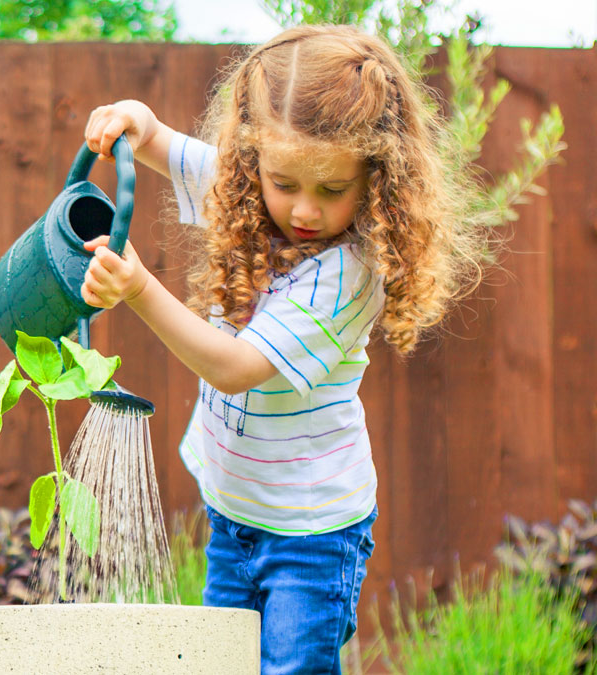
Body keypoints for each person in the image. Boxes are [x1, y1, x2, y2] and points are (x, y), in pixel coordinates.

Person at [79, 24, 486, 675]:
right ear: (253, 161)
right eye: (284, 181)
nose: (303, 209)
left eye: (332, 190)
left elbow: (236, 369)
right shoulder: (251, 194)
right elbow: (165, 147)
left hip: (312, 535)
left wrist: (137, 288)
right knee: (224, 663)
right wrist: (137, 122)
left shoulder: (346, 271)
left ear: (375, 180)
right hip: (233, 509)